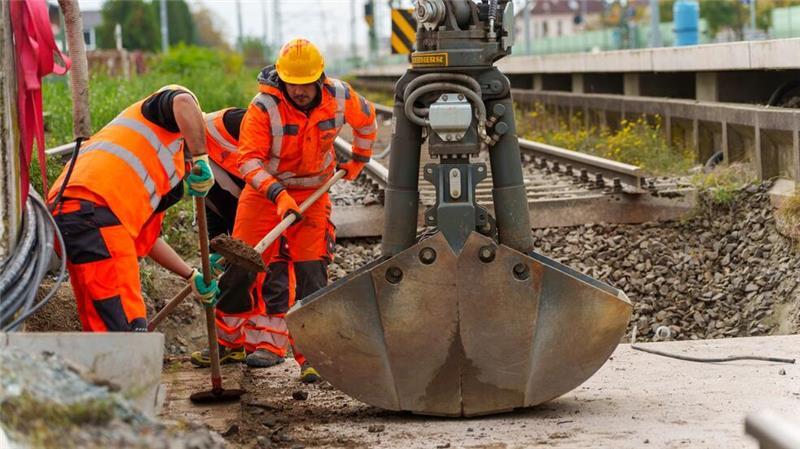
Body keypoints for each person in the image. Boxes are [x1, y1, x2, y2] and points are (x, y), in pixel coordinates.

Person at [215, 38, 377, 380]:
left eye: (305, 84)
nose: (299, 91)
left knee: (311, 273)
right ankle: (228, 343)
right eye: (292, 84)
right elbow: (247, 161)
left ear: (320, 79)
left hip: (313, 194)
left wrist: (359, 159)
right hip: (263, 194)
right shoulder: (263, 108)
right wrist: (277, 194)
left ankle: (313, 355)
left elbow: (367, 121)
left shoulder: (341, 97)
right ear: (281, 78)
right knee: (241, 267)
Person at [47, 85, 219, 332]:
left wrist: (190, 275)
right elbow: (182, 100)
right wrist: (202, 156)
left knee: (102, 327)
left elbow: (148, 241)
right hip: (96, 213)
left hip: (68, 215)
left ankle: (109, 369)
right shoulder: (161, 120)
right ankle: (129, 367)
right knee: (126, 327)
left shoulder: (154, 170)